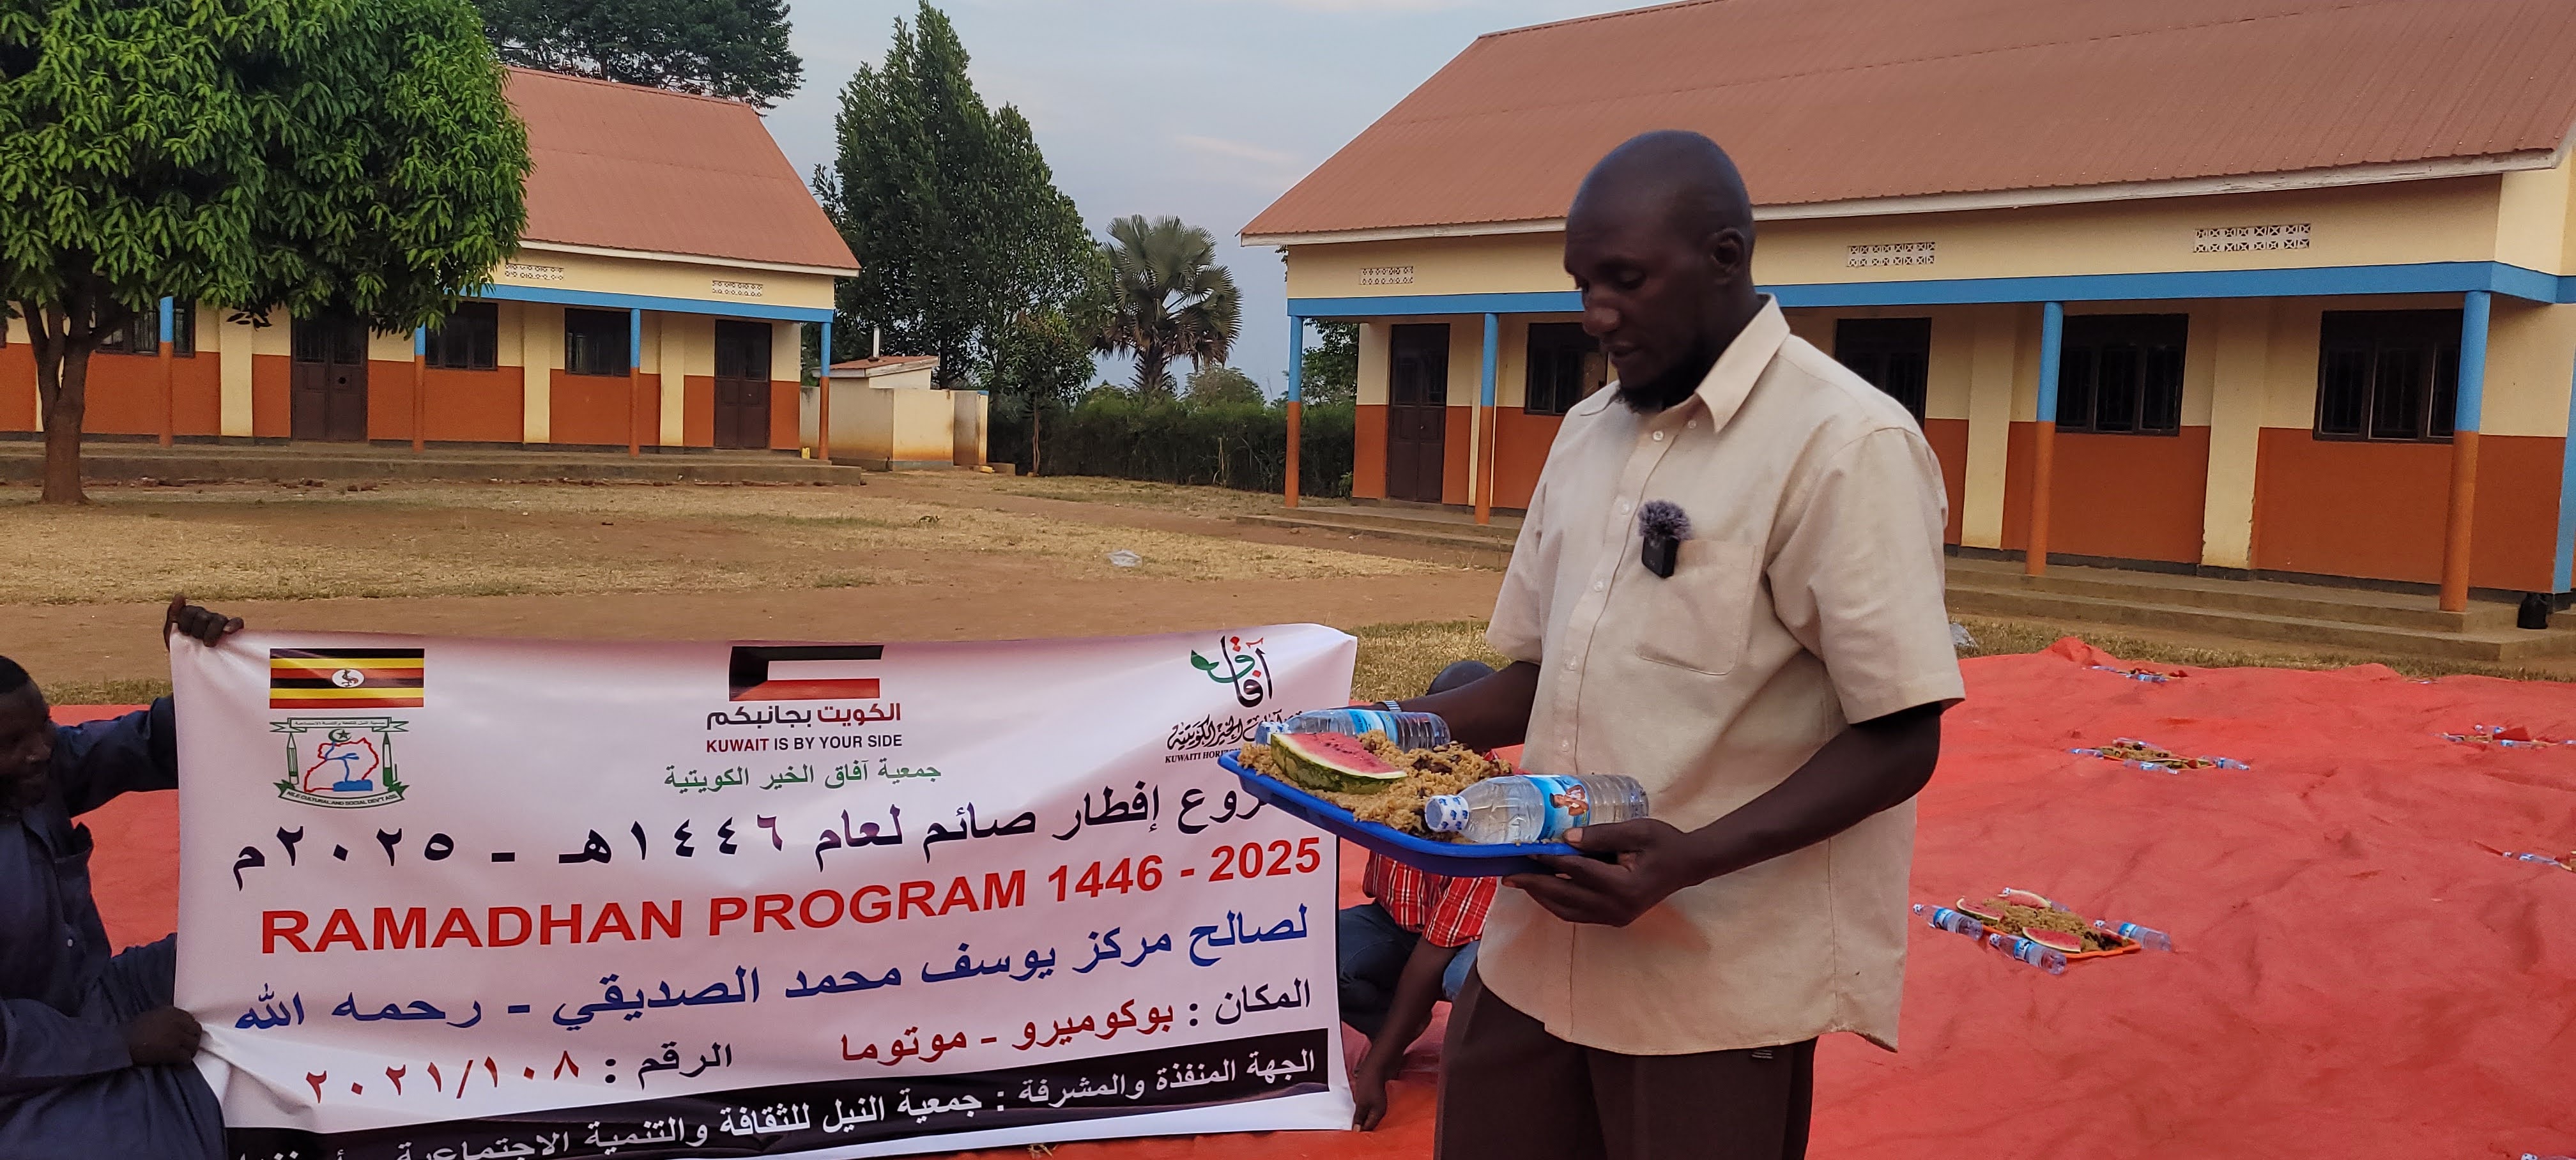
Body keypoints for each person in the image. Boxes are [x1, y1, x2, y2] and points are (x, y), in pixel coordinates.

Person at [1403, 130, 1965, 1160]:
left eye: (1625, 280)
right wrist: (1374, 734)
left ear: (1725, 256)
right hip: (1532, 953)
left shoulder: (1844, 445)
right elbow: (1536, 679)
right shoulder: (1587, 432)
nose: (1596, 313)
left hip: (1709, 981)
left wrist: (1690, 860)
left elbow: (1902, 735)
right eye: (1582, 283)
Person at [1, 597, 246, 1160]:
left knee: (263, 951)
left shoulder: (39, 771)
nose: (41, 751)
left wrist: (207, 674)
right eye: (11, 743)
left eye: (43, 726)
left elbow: (146, 743)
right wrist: (120, 1044)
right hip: (27, 1060)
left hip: (96, 992)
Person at [1339, 659, 1499, 1131]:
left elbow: (1438, 947)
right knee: (1312, 950)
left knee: (1469, 980)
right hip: (1396, 924)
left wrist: (1378, 1064)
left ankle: (1492, 1066)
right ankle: (1398, 1022)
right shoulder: (1394, 775)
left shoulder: (1497, 809)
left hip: (1466, 943)